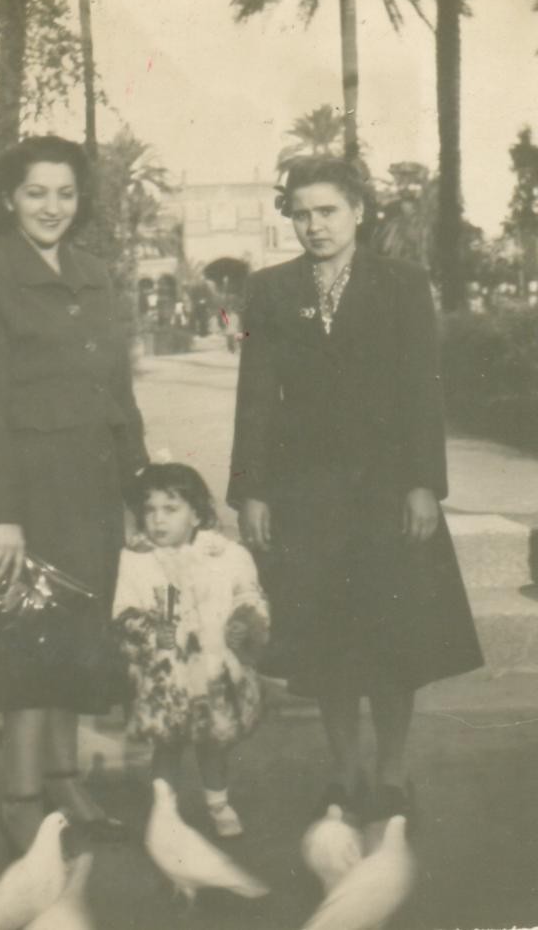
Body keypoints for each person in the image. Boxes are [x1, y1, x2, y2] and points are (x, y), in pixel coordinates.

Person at [228, 158, 483, 826]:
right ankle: (343, 774)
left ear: (358, 211)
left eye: (328, 211)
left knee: (392, 640)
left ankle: (392, 774)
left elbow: (422, 390)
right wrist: (252, 490)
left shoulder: (402, 284)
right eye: (301, 214)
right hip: (305, 495)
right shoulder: (270, 289)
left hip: (386, 491)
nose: (314, 225)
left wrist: (424, 483)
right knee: (327, 643)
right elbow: (255, 395)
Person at [0, 135, 148, 851]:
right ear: (9, 198)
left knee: (77, 644)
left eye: (65, 193)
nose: (52, 206)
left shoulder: (94, 273)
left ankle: (64, 781)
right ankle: (21, 799)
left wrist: (138, 486)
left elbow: (117, 389)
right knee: (27, 651)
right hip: (25, 493)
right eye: (36, 193)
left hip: (92, 487)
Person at [113, 463, 269, 838]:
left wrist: (244, 621)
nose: (158, 520)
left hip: (213, 669)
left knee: (213, 743)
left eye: (171, 509)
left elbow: (249, 594)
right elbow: (123, 611)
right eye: (150, 510)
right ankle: (165, 812)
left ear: (196, 514)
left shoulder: (226, 555)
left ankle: (218, 804)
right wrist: (149, 630)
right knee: (166, 745)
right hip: (164, 673)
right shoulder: (136, 560)